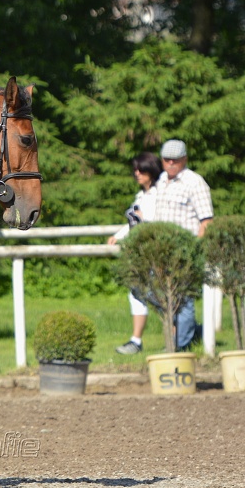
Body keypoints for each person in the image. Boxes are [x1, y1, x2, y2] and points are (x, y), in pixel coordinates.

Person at [116, 140, 213, 354]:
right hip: (160, 252)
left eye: (175, 160)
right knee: (142, 289)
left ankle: (180, 347)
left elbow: (206, 222)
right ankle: (192, 333)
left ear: (184, 159)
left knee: (183, 300)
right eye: (166, 159)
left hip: (185, 252)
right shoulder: (161, 180)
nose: (170, 163)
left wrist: (194, 251)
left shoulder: (195, 182)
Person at [109, 152, 162, 355]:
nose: (137, 173)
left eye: (142, 170)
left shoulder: (159, 194)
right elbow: (133, 222)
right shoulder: (141, 195)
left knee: (157, 295)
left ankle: (181, 334)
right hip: (138, 252)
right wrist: (118, 235)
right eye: (135, 170)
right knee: (137, 293)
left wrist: (143, 218)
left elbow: (155, 220)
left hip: (153, 252)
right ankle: (136, 340)